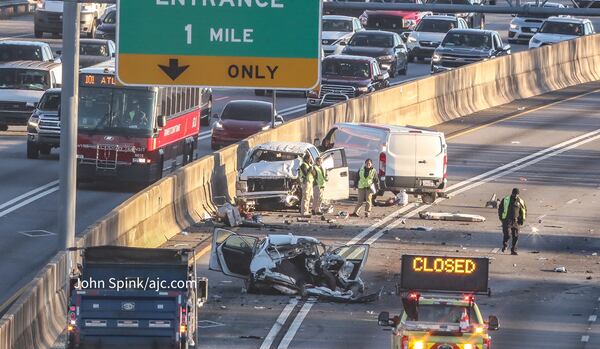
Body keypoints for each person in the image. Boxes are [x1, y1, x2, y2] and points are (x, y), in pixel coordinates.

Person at [498, 188, 527, 255]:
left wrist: (522, 219)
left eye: (517, 194)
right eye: (515, 194)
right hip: (507, 220)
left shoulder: (520, 201)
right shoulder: (506, 200)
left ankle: (513, 250)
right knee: (507, 235)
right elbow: (500, 209)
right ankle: (505, 245)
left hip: (516, 221)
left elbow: (524, 211)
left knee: (515, 236)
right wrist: (501, 218)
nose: (516, 196)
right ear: (512, 193)